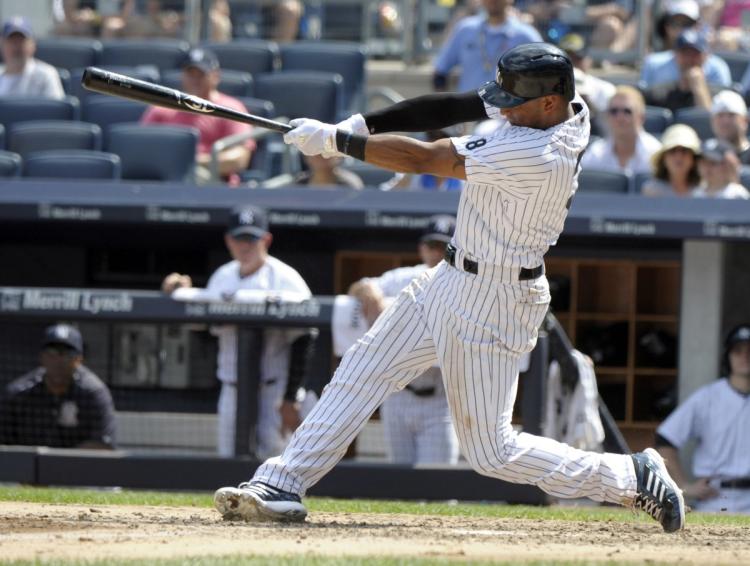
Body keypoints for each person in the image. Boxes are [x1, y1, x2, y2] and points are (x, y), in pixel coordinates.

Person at [213, 42, 686, 533]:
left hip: (496, 299)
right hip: (450, 275)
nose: (502, 109)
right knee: (364, 365)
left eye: (513, 102)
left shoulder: (539, 151)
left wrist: (337, 145)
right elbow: (452, 107)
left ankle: (629, 476)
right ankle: (282, 482)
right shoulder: (558, 106)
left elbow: (427, 158)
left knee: (492, 452)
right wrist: (362, 124)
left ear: (548, 102)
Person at [162, 205, 316, 459]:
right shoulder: (222, 277)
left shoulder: (286, 279)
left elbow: (304, 339)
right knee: (229, 460)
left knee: (276, 466)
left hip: (273, 392)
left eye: (251, 239)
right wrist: (182, 293)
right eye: (238, 238)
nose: (244, 246)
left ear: (266, 239)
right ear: (228, 240)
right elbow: (207, 331)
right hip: (231, 389)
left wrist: (291, 398)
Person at [346, 215, 460, 465]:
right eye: (432, 246)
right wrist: (370, 292)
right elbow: (358, 286)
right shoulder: (404, 277)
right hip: (398, 393)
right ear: (422, 248)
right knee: (400, 483)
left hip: (439, 397)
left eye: (444, 247)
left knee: (437, 484)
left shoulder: (466, 283)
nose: (437, 253)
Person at [655, 324, 750, 514]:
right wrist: (684, 486)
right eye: (738, 351)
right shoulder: (708, 397)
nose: (745, 357)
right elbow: (665, 438)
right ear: (727, 357)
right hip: (715, 498)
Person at [141, 48, 254, 186]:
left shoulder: (230, 109)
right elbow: (143, 150)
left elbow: (239, 159)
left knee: (191, 175)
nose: (195, 79)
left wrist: (192, 161)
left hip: (212, 183)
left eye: (201, 74)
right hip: (163, 178)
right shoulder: (162, 108)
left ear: (215, 76)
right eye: (190, 74)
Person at [0, 324, 116, 449]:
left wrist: (59, 462)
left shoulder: (93, 393)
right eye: (52, 353)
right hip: (27, 466)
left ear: (79, 360)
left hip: (78, 466)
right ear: (41, 357)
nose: (59, 361)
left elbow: (103, 445)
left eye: (67, 354)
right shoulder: (19, 393)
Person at [432, 0, 542, 92]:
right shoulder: (465, 29)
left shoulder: (526, 36)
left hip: (508, 115)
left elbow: (542, 77)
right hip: (468, 113)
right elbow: (440, 72)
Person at [641, 29, 731, 112]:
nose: (689, 59)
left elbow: (708, 124)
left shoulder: (718, 94)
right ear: (675, 55)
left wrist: (699, 88)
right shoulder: (659, 93)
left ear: (705, 56)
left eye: (695, 54)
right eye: (685, 54)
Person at [580, 86, 662, 177]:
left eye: (627, 111)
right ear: (607, 117)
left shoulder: (656, 155)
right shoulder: (595, 154)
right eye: (614, 111)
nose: (620, 118)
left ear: (641, 117)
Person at [0, 16, 65, 100]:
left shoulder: (46, 75)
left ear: (33, 45)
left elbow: (56, 111)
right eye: (12, 41)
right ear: (2, 45)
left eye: (21, 41)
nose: (16, 47)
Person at [642, 124, 702, 196]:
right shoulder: (652, 191)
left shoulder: (704, 190)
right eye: (672, 151)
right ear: (663, 158)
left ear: (694, 159)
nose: (679, 157)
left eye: (685, 151)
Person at [707, 90, 750, 165]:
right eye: (720, 115)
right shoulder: (706, 157)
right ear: (712, 122)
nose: (725, 121)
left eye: (731, 115)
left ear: (745, 121)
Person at [293, 154, 364, 189]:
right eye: (315, 151)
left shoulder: (350, 184)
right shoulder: (298, 184)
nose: (322, 155)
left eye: (327, 151)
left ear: (339, 156)